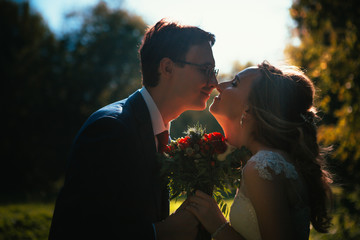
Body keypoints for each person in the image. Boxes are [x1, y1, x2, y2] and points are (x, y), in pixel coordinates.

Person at [49, 19, 218, 240]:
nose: (214, 81)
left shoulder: (157, 131)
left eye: (213, 70)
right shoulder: (111, 129)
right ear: (167, 67)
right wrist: (160, 234)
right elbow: (75, 230)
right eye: (205, 70)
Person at [186, 61, 333, 240]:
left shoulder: (262, 167)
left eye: (234, 84)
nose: (219, 85)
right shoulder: (268, 160)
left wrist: (217, 225)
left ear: (251, 108)